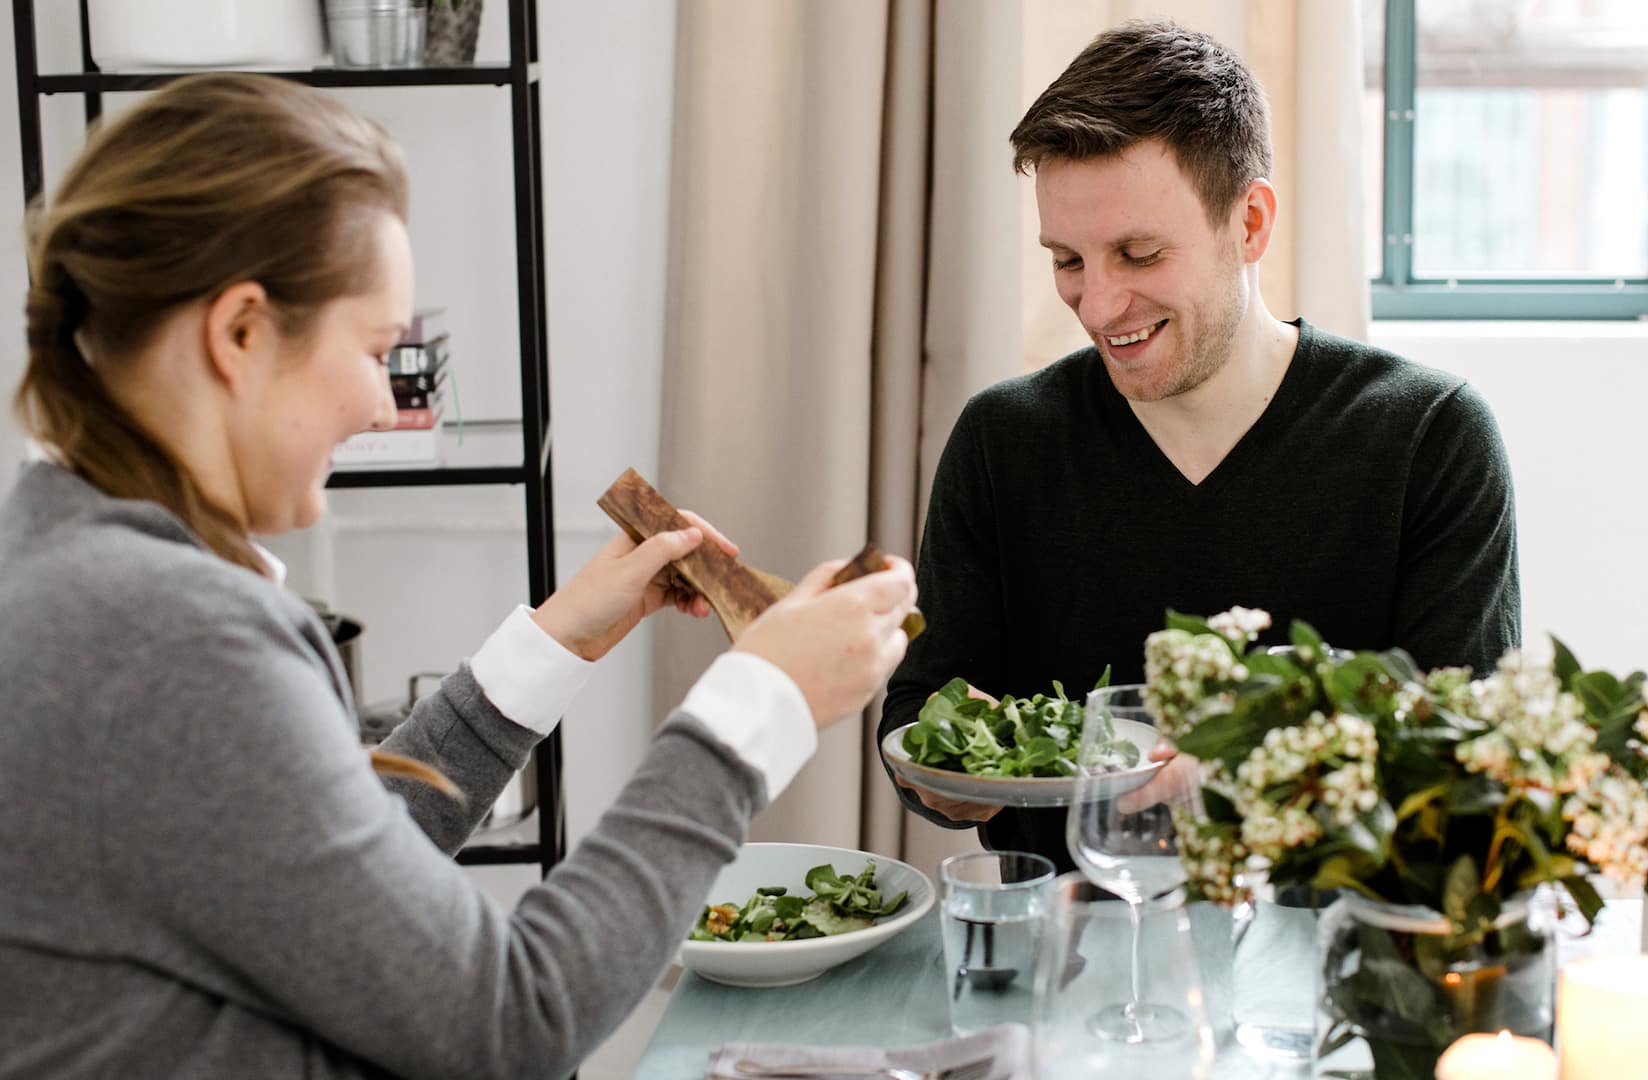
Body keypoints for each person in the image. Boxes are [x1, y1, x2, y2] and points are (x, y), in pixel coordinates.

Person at [0, 74, 916, 1079]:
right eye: (377, 350)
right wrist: (758, 707)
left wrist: (550, 646)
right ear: (242, 333)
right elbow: (508, 1022)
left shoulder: (82, 573)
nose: (380, 405)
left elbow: (330, 887)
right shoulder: (167, 637)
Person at [879, 20, 1520, 872]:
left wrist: (1255, 775)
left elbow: (1468, 757)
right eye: (1068, 260)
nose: (1098, 306)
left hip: (1337, 934)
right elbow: (922, 704)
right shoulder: (1004, 440)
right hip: (1072, 933)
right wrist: (946, 764)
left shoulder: (1429, 436)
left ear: (1249, 223)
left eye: (1139, 254)